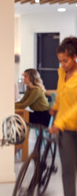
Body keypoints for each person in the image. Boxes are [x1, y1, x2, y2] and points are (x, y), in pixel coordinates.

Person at [49, 36, 77, 196]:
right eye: (60, 61)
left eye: (65, 61)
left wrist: (61, 121)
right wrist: (56, 107)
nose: (62, 65)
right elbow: (61, 93)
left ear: (74, 57)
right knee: (67, 170)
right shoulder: (62, 72)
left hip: (69, 123)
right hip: (65, 130)